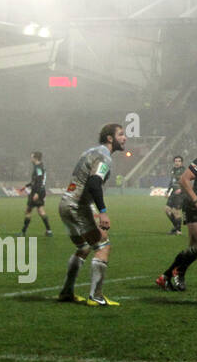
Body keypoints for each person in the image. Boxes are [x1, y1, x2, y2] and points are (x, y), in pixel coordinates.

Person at [56, 123, 126, 306]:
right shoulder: (104, 157)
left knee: (84, 247)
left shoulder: (89, 152)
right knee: (103, 245)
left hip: (65, 203)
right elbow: (94, 184)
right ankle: (96, 296)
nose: (124, 138)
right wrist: (103, 212)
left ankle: (66, 292)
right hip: (78, 206)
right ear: (110, 138)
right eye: (121, 134)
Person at [155, 148, 197, 292]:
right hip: (195, 205)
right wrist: (196, 201)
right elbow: (184, 180)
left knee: (194, 247)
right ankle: (175, 273)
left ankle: (169, 276)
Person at [19, 151, 52, 237]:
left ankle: (23, 232)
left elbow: (40, 180)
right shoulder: (40, 166)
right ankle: (49, 231)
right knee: (41, 211)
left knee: (28, 211)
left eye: (32, 157)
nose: (31, 158)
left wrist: (37, 193)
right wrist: (26, 186)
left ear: (35, 158)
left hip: (36, 191)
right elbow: (36, 180)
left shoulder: (38, 168)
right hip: (40, 191)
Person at [164, 155, 187, 235]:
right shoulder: (173, 170)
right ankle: (175, 227)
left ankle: (178, 231)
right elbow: (172, 181)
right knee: (167, 210)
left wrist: (181, 189)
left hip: (180, 194)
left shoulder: (184, 171)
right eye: (176, 161)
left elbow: (187, 181)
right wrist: (167, 191)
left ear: (182, 162)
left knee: (175, 211)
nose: (177, 163)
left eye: (179, 161)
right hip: (173, 192)